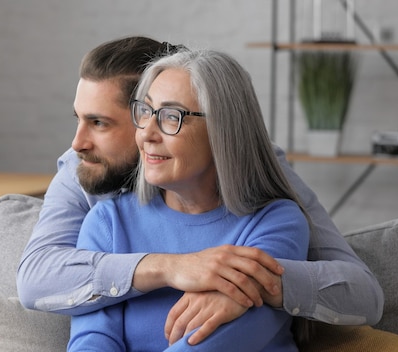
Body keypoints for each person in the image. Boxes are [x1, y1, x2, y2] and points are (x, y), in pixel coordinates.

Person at [17, 36, 383, 345]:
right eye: (148, 112)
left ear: (221, 132)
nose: (77, 142)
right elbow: (45, 289)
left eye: (99, 123)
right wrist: (171, 268)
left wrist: (260, 283)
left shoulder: (270, 205)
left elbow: (362, 293)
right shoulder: (95, 197)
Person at [68, 48, 309, 351]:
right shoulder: (107, 223)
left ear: (222, 131)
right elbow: (92, 340)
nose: (146, 134)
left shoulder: (276, 223)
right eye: (145, 111)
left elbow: (215, 343)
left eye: (172, 116)